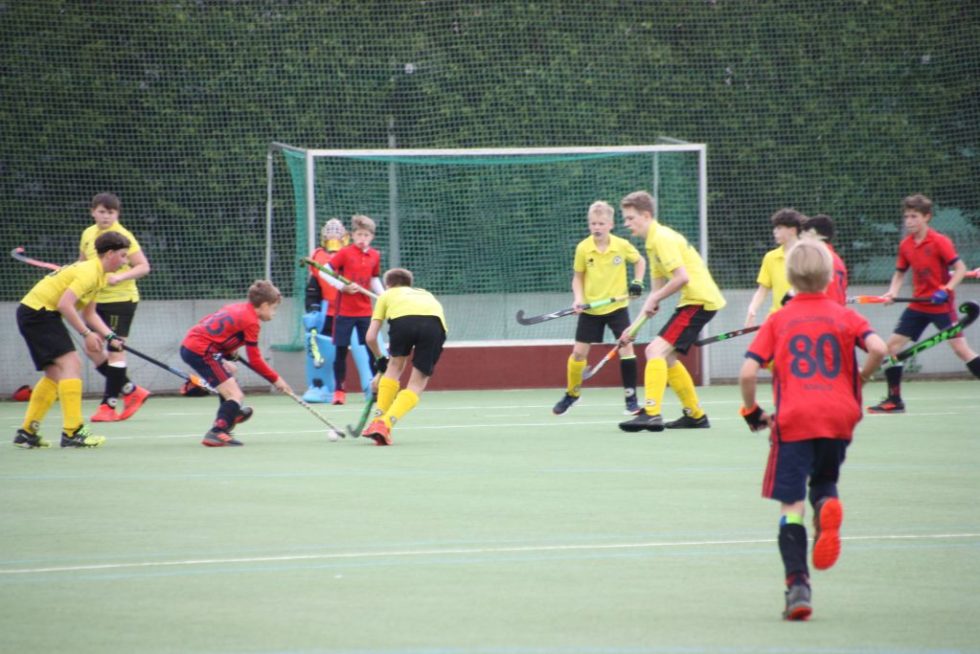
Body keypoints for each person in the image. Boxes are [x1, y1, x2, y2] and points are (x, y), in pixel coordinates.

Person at [738, 239, 887, 620]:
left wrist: (752, 412)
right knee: (823, 480)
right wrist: (861, 378)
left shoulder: (779, 320)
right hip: (839, 417)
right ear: (830, 278)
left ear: (789, 279)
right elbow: (879, 348)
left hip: (795, 419)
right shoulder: (845, 315)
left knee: (791, 507)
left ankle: (798, 586)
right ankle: (826, 503)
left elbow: (748, 371)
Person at [617, 191, 726, 431]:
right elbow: (655, 295)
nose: (626, 224)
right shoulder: (652, 243)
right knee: (667, 357)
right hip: (694, 300)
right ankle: (695, 416)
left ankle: (651, 413)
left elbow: (681, 278)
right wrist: (633, 328)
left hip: (699, 300)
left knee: (654, 350)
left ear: (646, 216)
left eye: (630, 218)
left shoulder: (662, 239)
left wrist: (656, 298)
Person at [14, 231, 133, 448]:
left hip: (36, 313)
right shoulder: (89, 272)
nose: (125, 262)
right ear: (109, 254)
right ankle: (73, 432)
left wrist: (110, 336)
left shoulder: (99, 276)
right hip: (39, 312)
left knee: (55, 373)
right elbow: (64, 304)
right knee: (72, 364)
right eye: (123, 255)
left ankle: (27, 433)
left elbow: (90, 314)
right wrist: (86, 334)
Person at [868, 194, 980, 413]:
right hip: (918, 307)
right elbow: (900, 273)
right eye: (906, 217)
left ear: (926, 217)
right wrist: (892, 292)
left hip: (941, 307)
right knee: (891, 349)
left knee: (961, 350)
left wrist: (946, 290)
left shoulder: (940, 241)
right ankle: (894, 401)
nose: (909, 221)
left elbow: (960, 269)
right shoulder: (906, 245)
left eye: (914, 216)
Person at [553, 201, 647, 416]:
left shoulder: (621, 245)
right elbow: (578, 278)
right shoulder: (583, 248)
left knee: (627, 349)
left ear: (610, 225)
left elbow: (639, 261)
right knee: (578, 354)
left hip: (617, 308)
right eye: (593, 223)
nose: (597, 227)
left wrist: (637, 282)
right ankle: (572, 394)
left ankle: (631, 399)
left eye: (601, 223)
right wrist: (578, 299)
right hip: (591, 310)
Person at [180, 280, 293, 447]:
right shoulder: (252, 322)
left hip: (190, 345)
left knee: (230, 371)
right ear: (264, 305)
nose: (274, 313)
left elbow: (206, 324)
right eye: (274, 308)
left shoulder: (236, 307)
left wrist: (226, 354)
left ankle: (231, 415)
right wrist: (276, 379)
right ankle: (217, 431)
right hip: (202, 351)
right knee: (236, 395)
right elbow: (255, 359)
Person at [79, 192, 152, 422]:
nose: (106, 216)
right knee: (92, 347)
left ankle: (108, 406)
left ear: (117, 214)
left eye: (110, 212)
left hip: (120, 300)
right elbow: (83, 263)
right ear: (93, 212)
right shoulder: (88, 234)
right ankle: (130, 390)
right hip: (94, 300)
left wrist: (119, 277)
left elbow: (143, 266)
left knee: (115, 350)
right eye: (101, 211)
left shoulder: (123, 236)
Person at [361, 268, 447, 446]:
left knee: (394, 367)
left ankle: (378, 420)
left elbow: (370, 337)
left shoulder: (385, 295)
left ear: (387, 285)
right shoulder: (425, 294)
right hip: (434, 324)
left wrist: (380, 359)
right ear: (409, 284)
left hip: (403, 322)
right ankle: (386, 423)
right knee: (417, 383)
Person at [322, 214, 385, 405]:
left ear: (371, 237)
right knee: (341, 351)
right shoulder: (345, 253)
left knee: (371, 350)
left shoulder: (375, 255)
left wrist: (384, 297)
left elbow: (374, 279)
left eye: (366, 235)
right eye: (359, 234)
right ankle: (339, 391)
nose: (362, 238)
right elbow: (324, 271)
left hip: (365, 312)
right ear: (352, 235)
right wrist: (343, 287)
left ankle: (376, 389)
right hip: (344, 312)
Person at [744, 209, 802, 327]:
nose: (775, 231)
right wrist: (752, 308)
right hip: (777, 318)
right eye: (775, 228)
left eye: (779, 228)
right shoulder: (770, 257)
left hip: (802, 318)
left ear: (792, 230)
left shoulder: (809, 255)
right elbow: (763, 289)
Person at [802, 214, 848, 305]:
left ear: (814, 234)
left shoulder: (819, 259)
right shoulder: (837, 259)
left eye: (805, 236)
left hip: (824, 310)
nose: (802, 242)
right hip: (837, 309)